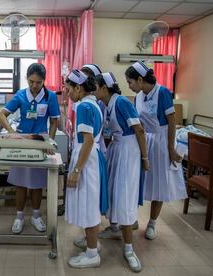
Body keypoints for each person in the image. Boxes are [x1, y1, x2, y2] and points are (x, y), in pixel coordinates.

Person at [125, 61, 187, 240]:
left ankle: (152, 223)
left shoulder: (163, 92)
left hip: (161, 140)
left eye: (130, 82)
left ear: (140, 79)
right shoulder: (138, 97)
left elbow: (172, 121)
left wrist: (171, 148)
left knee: (158, 183)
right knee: (138, 181)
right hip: (145, 140)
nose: (129, 86)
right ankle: (133, 218)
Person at [95, 72, 149, 272]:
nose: (93, 90)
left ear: (103, 88)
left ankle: (129, 249)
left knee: (125, 196)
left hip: (129, 152)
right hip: (117, 149)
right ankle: (115, 227)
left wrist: (145, 158)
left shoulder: (122, 103)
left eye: (96, 87)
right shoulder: (107, 105)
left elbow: (140, 130)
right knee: (114, 190)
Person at [0, 63, 60, 234]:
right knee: (20, 183)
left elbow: (55, 121)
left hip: (40, 142)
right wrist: (12, 133)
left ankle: (35, 215)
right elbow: (2, 115)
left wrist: (50, 143)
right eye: (31, 81)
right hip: (22, 141)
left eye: (38, 82)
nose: (34, 86)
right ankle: (19, 216)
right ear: (27, 79)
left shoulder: (50, 97)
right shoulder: (20, 95)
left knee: (37, 183)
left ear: (44, 81)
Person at [65, 69, 107, 268]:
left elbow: (88, 140)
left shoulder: (83, 107)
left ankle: (92, 255)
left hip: (86, 160)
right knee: (89, 203)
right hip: (90, 158)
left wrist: (76, 171)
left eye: (68, 90)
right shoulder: (94, 104)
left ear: (78, 88)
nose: (68, 94)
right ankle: (92, 243)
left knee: (89, 206)